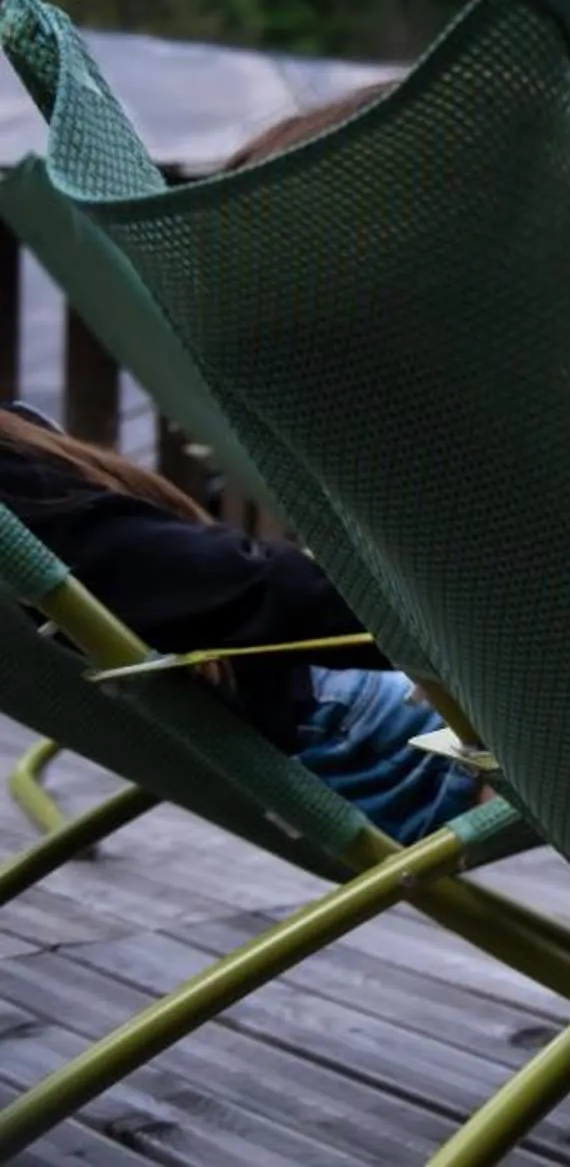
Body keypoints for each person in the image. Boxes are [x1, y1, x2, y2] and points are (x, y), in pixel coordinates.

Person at [0, 81, 484, 846]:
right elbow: (253, 593)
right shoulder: (16, 486)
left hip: (318, 710)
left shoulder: (21, 475)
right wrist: (458, 629)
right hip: (369, 743)